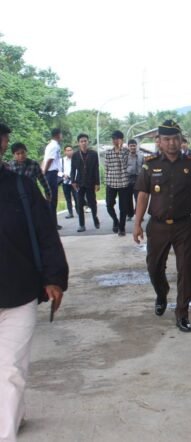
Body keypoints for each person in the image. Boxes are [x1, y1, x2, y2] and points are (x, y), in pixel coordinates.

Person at [0, 122, 67, 442]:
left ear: (3, 143)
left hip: (18, 295)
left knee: (10, 370)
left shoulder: (21, 188)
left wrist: (54, 278)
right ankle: (13, 414)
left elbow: (46, 234)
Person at [133, 120, 191, 333]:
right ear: (159, 141)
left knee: (186, 270)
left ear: (181, 140)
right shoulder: (150, 165)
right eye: (167, 139)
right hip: (157, 227)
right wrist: (137, 224)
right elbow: (142, 196)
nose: (172, 143)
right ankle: (161, 292)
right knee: (154, 267)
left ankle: (182, 313)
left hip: (183, 225)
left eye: (175, 138)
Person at [70, 133, 100, 232]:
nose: (83, 143)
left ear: (88, 142)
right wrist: (73, 181)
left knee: (92, 202)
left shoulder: (93, 154)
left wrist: (97, 183)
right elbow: (73, 169)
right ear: (78, 143)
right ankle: (81, 225)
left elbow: (96, 169)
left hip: (90, 182)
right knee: (79, 203)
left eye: (85, 141)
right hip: (79, 182)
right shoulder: (75, 155)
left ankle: (95, 218)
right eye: (81, 141)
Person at [104, 130, 131, 236]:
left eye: (117, 138)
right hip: (111, 182)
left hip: (123, 182)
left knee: (123, 208)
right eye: (114, 139)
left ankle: (122, 228)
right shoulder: (108, 152)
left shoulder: (126, 151)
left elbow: (124, 163)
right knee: (109, 205)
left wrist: (120, 149)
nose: (115, 141)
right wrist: (106, 181)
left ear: (121, 140)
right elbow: (106, 167)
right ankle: (115, 220)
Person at [42, 128, 63, 229]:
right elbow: (50, 159)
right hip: (51, 173)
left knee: (51, 198)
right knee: (52, 199)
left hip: (51, 173)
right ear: (58, 135)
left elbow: (45, 159)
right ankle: (52, 224)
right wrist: (44, 171)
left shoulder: (50, 145)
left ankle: (53, 223)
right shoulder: (55, 146)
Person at [126, 139, 144, 221]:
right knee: (128, 198)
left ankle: (139, 214)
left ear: (136, 146)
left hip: (138, 179)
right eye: (131, 146)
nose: (133, 147)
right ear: (128, 147)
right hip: (128, 178)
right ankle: (129, 214)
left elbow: (144, 167)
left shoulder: (141, 155)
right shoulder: (125, 156)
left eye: (134, 146)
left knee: (139, 198)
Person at [60, 145, 78, 219]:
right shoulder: (62, 160)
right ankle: (70, 213)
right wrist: (63, 175)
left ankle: (79, 211)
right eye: (67, 150)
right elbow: (58, 171)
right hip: (65, 182)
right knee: (68, 198)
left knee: (77, 197)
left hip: (75, 182)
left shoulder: (76, 159)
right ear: (65, 152)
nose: (69, 152)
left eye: (70, 150)